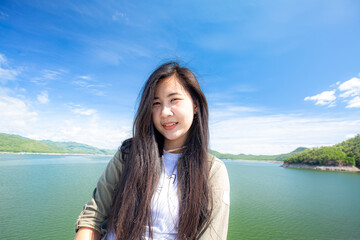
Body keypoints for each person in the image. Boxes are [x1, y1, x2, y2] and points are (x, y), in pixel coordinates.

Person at [74, 61, 230, 240]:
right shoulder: (129, 153)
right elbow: (94, 216)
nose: (164, 112)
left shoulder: (212, 170)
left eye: (174, 100)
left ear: (195, 104)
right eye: (156, 103)